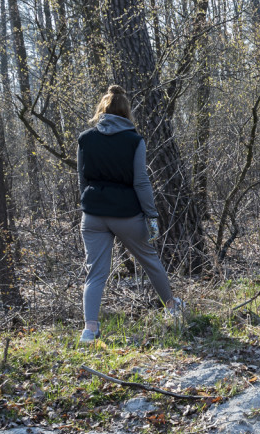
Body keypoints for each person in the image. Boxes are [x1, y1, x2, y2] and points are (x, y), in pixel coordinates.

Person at [77, 85, 184, 344]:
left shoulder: (85, 138)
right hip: (126, 214)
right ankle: (172, 309)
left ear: (102, 110)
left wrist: (88, 205)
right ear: (127, 113)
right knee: (150, 260)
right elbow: (141, 182)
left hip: (92, 214)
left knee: (95, 273)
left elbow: (82, 178)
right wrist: (151, 215)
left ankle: (89, 330)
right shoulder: (134, 140)